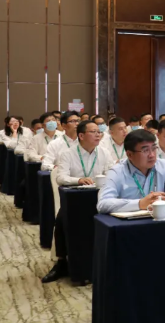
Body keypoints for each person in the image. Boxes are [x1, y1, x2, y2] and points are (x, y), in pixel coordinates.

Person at [43, 120, 114, 283]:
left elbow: (111, 172)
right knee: (62, 220)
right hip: (75, 200)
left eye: (99, 132)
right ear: (81, 136)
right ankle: (62, 263)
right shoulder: (68, 154)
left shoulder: (104, 153)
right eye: (93, 132)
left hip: (99, 198)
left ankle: (101, 264)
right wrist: (78, 180)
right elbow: (61, 177)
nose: (98, 135)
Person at [97, 129, 165, 214]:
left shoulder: (164, 166)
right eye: (145, 150)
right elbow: (103, 204)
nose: (152, 155)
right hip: (129, 223)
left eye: (154, 149)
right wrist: (140, 204)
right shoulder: (117, 172)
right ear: (130, 154)